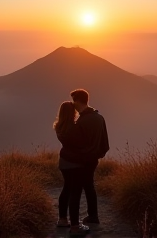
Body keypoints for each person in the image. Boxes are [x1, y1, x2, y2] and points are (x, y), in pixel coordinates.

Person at [53, 89, 109, 235]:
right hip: (90, 160)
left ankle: (68, 221)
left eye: (74, 101)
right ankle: (91, 217)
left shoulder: (78, 123)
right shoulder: (99, 118)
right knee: (87, 186)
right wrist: (98, 154)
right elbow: (104, 143)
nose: (73, 105)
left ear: (78, 101)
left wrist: (75, 156)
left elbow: (76, 146)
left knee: (72, 189)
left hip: (78, 161)